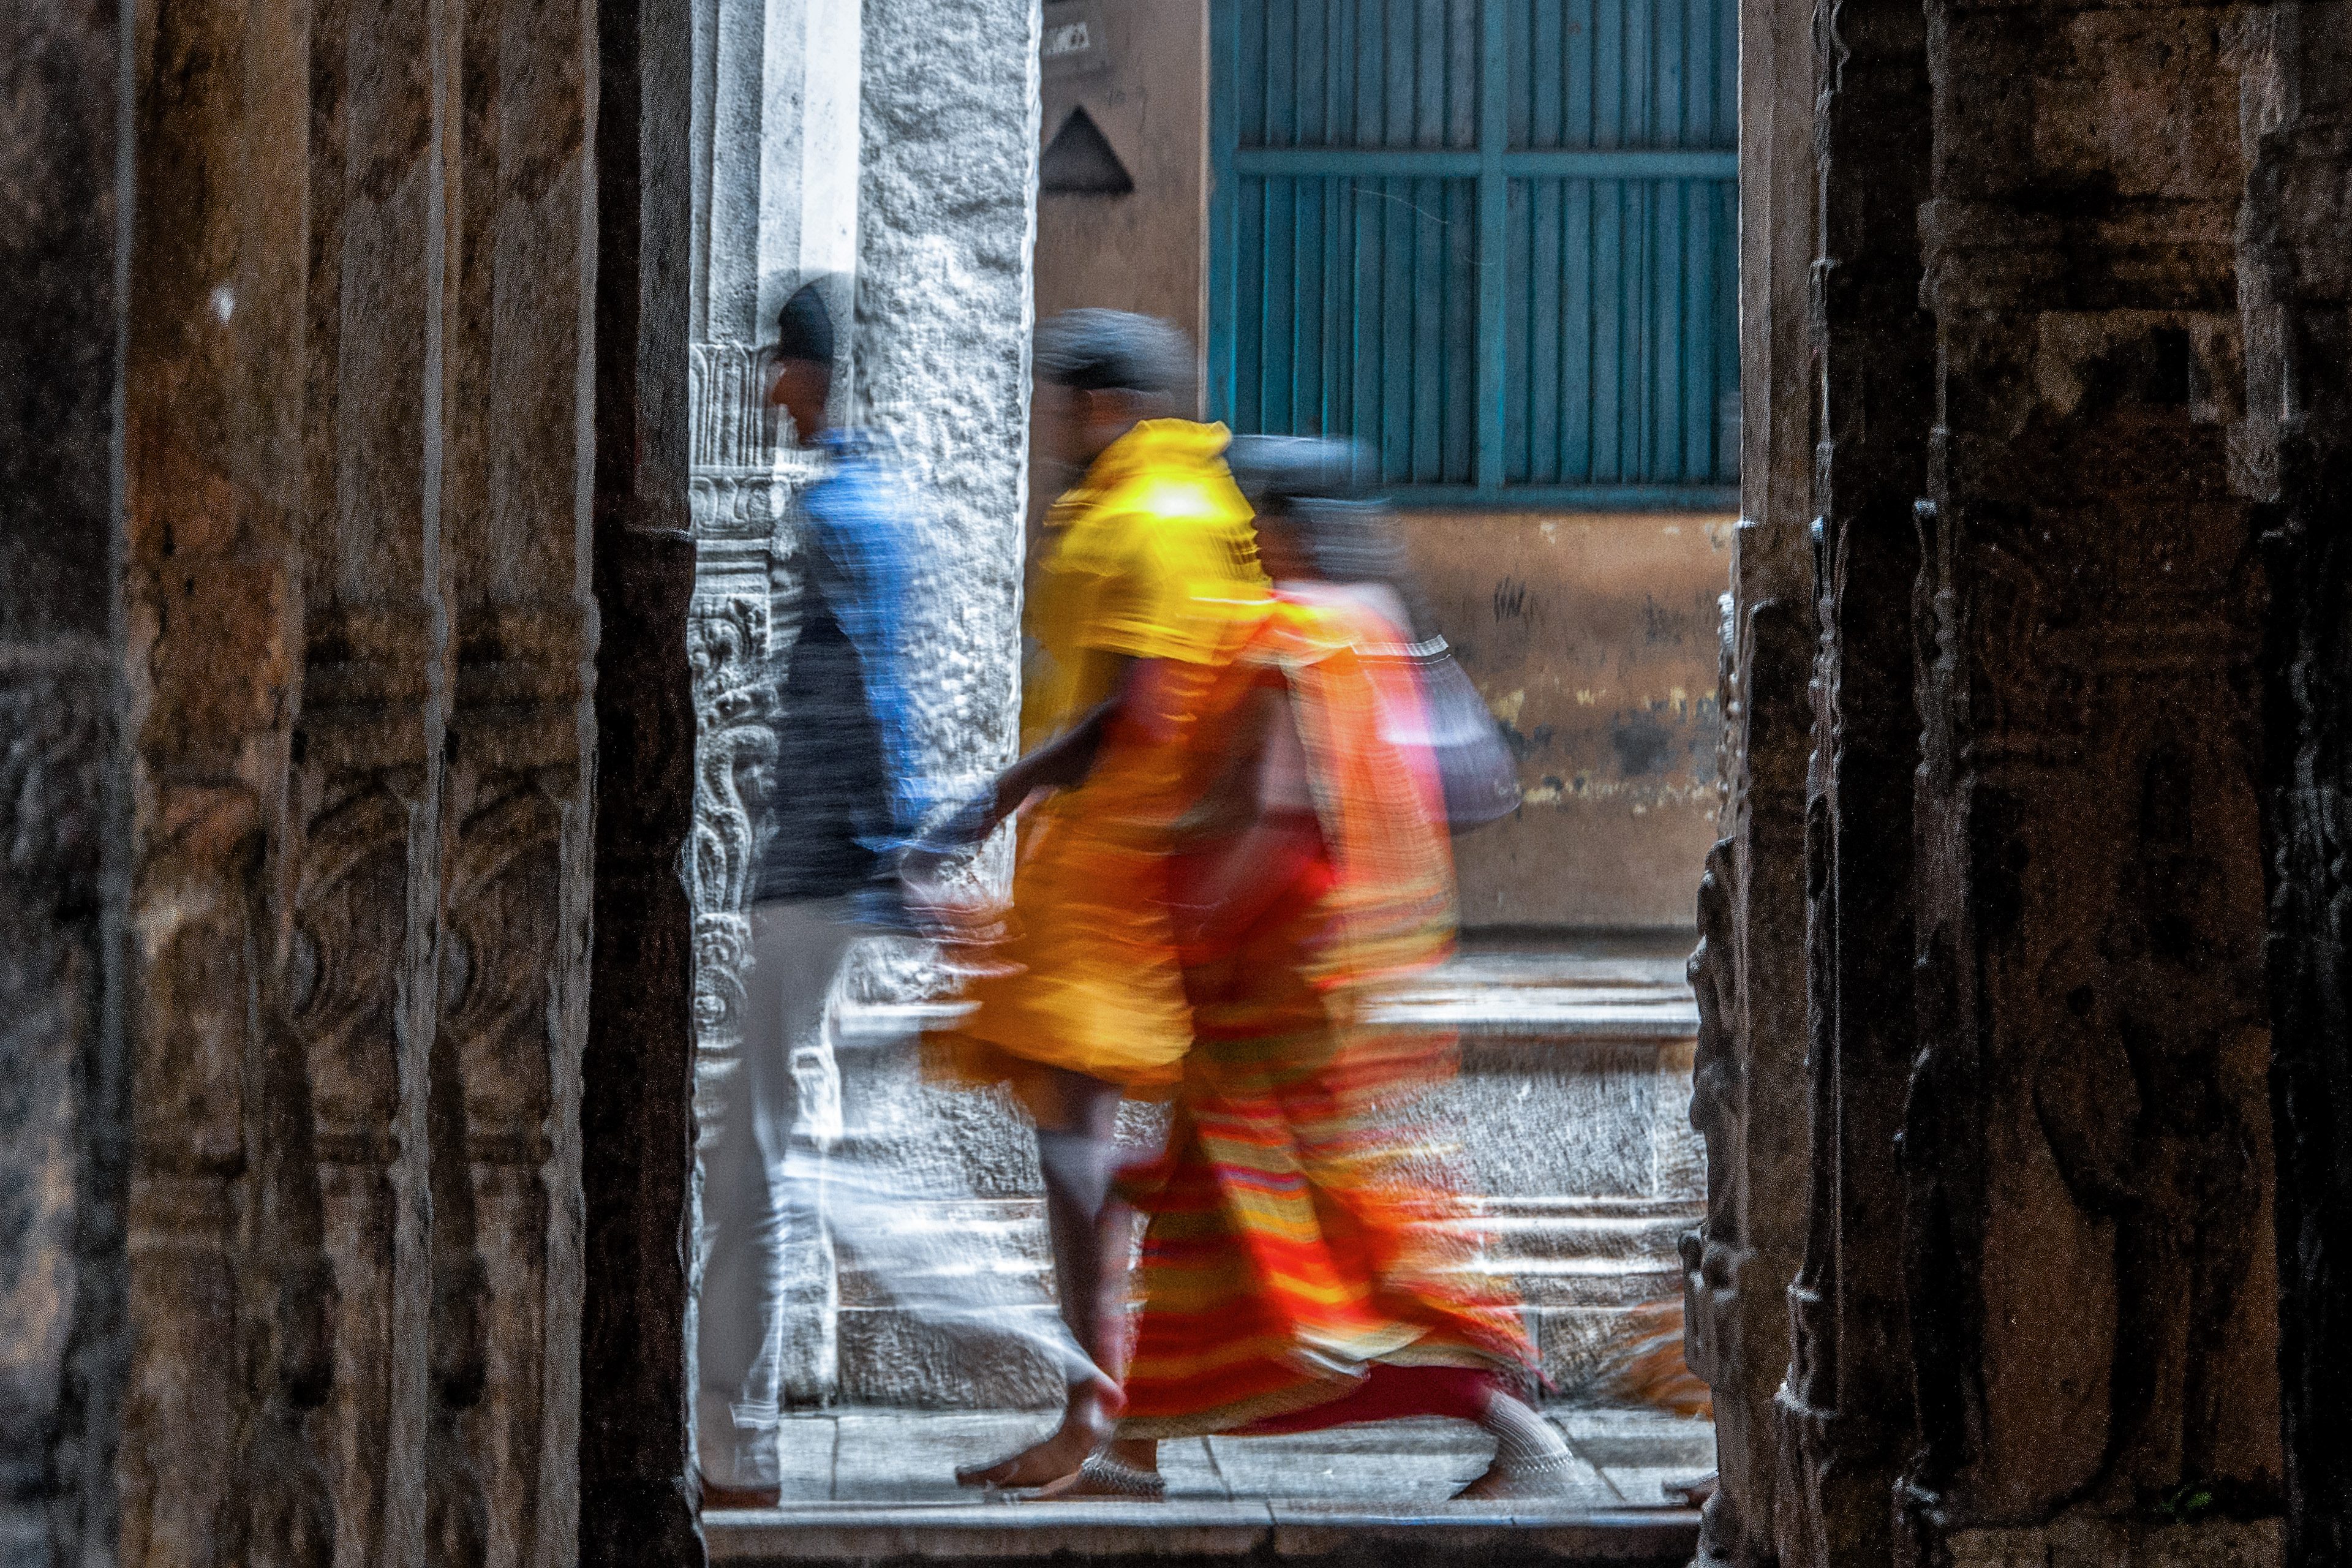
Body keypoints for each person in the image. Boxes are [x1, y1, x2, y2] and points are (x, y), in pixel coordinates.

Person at [1026, 447, 1584, 1502]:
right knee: (1206, 1217)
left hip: (1267, 978)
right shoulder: (1367, 624)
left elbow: (1278, 807)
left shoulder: (1289, 639)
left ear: (1280, 527)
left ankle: (1519, 1427)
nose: (1244, 536)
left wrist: (1193, 915)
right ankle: (1132, 1448)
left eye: (1253, 518)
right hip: (1315, 980)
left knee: (1325, 1239)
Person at [922, 310, 1274, 1488]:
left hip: (1118, 872)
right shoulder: (1187, 509)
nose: (1051, 423)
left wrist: (996, 795)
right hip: (1129, 868)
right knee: (1099, 1149)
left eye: (1061, 401)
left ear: (1102, 403)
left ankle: (1101, 1412)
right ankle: (1125, 1409)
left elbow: (1135, 710)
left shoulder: (1146, 519)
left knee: (1079, 1151)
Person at [695, 281, 927, 1508]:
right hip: (832, 873)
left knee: (760, 1164)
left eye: (774, 368)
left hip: (813, 877)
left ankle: (739, 1443)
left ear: (809, 372)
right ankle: (739, 1435)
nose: (762, 392)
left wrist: (891, 850)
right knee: (783, 1148)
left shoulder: (838, 513)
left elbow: (869, 703)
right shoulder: (872, 506)